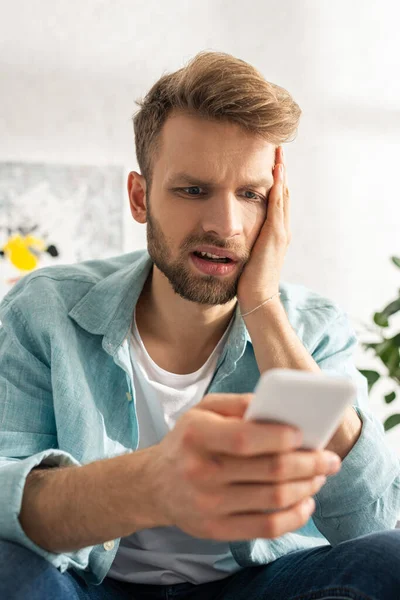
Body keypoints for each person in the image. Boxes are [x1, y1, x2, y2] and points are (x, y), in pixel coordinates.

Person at [0, 50, 399, 600]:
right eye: (193, 190)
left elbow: (368, 521)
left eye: (251, 195)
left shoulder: (311, 330)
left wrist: (262, 307)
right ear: (141, 198)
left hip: (252, 585)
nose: (224, 225)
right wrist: (152, 485)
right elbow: (4, 502)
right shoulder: (43, 310)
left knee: (389, 561)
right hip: (91, 585)